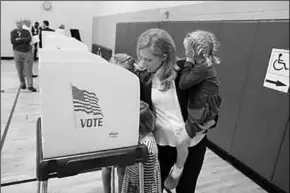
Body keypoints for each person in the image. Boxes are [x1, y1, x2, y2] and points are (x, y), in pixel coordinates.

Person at [134, 28, 216, 193]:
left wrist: (189, 133)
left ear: (164, 57)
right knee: (156, 187)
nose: (143, 63)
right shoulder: (144, 77)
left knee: (186, 188)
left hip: (193, 144)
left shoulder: (187, 73)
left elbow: (213, 117)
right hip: (162, 145)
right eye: (141, 57)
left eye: (148, 59)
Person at [164, 30, 222, 190]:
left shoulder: (202, 68)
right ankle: (176, 172)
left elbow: (184, 83)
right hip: (196, 115)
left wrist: (200, 127)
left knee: (182, 143)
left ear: (194, 51)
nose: (185, 53)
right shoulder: (197, 65)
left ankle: (176, 172)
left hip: (200, 119)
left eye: (187, 50)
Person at [121, 100, 162, 193]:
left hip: (142, 187)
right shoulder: (137, 138)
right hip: (132, 180)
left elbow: (147, 180)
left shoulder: (148, 148)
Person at [10, 19, 36, 92]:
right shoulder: (13, 32)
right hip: (17, 52)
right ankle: (22, 83)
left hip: (27, 52)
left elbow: (28, 39)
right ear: (16, 24)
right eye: (17, 23)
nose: (19, 24)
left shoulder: (27, 31)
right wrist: (22, 40)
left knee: (28, 70)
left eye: (20, 23)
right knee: (19, 69)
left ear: (22, 24)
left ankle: (30, 85)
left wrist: (19, 39)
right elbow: (13, 41)